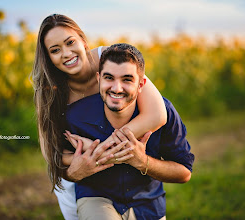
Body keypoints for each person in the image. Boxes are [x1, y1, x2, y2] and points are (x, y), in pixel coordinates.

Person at [31, 14, 167, 220]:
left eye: (70, 43)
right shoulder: (50, 90)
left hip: (130, 178)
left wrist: (96, 148)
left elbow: (157, 115)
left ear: (83, 41)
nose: (66, 54)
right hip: (81, 181)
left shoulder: (112, 58)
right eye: (55, 50)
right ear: (48, 57)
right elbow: (53, 154)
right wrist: (77, 166)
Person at [64, 43, 194, 220]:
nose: (117, 88)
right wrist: (74, 170)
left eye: (127, 79)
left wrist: (142, 161)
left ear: (141, 84)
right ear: (98, 78)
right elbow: (58, 163)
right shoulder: (75, 116)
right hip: (96, 197)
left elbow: (184, 172)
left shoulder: (164, 112)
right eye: (109, 77)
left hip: (147, 204)